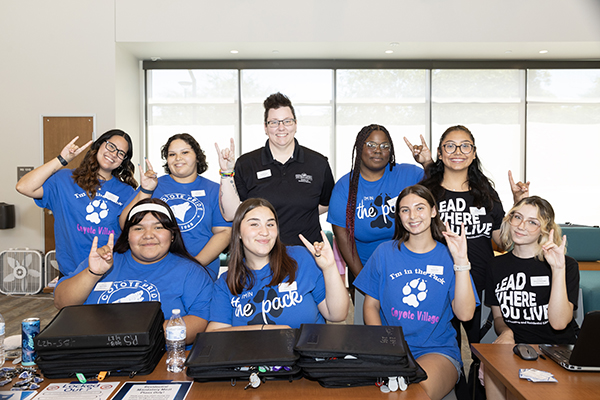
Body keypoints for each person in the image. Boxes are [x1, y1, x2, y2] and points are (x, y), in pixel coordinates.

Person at [354, 184, 478, 400]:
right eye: (405, 210)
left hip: (436, 351)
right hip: (389, 349)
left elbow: (465, 315)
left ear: (433, 211)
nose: (413, 216)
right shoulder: (384, 252)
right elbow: (371, 305)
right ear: (399, 216)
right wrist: (383, 347)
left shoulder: (449, 256)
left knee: (413, 394)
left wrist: (461, 262)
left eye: (420, 208)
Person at [419, 125, 529, 346]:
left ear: (474, 152)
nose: (458, 151)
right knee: (442, 348)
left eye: (465, 146)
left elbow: (503, 242)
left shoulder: (486, 192)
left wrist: (519, 203)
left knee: (481, 351)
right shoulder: (425, 192)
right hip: (437, 283)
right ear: (440, 154)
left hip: (481, 282)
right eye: (450, 146)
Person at [54, 198, 213, 347]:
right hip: (94, 354)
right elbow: (62, 303)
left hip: (158, 361)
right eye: (138, 228)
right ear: (127, 236)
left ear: (172, 235)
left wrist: (140, 334)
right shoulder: (102, 261)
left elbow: (199, 321)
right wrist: (92, 273)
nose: (148, 235)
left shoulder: (191, 272)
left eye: (158, 227)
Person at [327, 124, 431, 323]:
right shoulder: (344, 187)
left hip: (410, 270)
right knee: (372, 335)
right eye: (371, 144)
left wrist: (427, 163)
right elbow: (344, 240)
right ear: (359, 147)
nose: (378, 150)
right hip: (364, 270)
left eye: (385, 146)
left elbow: (440, 187)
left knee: (408, 325)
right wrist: (367, 282)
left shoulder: (408, 175)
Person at [484, 196, 579, 400]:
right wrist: (507, 332)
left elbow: (560, 322)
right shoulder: (495, 266)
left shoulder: (566, 265)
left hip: (557, 352)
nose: (520, 226)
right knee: (491, 370)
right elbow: (499, 318)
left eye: (532, 222)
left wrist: (558, 269)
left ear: (545, 230)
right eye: (517, 217)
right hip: (517, 350)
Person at [207, 198, 349, 331]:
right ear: (238, 231)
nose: (264, 232)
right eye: (254, 224)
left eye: (270, 224)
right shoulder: (226, 282)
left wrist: (329, 267)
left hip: (306, 355)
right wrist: (265, 330)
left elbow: (337, 315)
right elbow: (215, 335)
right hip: (252, 356)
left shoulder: (301, 258)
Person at [216, 92, 335, 246]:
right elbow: (230, 215)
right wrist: (226, 172)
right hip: (261, 255)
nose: (281, 128)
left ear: (295, 124)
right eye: (274, 122)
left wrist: (299, 211)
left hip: (308, 254)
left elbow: (326, 204)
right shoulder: (246, 163)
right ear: (265, 127)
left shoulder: (318, 163)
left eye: (287, 121)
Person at [16, 130, 137, 276]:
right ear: (99, 145)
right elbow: (23, 187)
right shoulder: (65, 180)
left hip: (110, 272)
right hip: (71, 271)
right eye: (111, 146)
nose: (113, 154)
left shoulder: (127, 192)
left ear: (123, 161)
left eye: (121, 153)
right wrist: (62, 159)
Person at [120, 133, 231, 281]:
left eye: (185, 152)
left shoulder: (214, 189)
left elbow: (224, 232)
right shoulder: (153, 185)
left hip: (201, 270)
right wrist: (146, 190)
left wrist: (195, 265)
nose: (178, 158)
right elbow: (125, 225)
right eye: (172, 154)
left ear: (197, 156)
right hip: (157, 270)